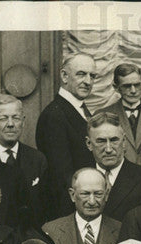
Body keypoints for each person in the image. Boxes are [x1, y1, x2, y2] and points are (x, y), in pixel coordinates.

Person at [36, 53, 98, 219]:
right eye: (81, 74)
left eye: (92, 76)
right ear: (64, 76)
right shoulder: (54, 116)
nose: (88, 81)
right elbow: (61, 177)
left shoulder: (81, 110)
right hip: (70, 212)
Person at [0, 93, 50, 232]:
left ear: (23, 121)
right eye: (3, 118)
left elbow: (45, 208)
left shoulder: (37, 159)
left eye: (16, 118)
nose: (10, 124)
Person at [85, 111, 141, 223]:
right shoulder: (77, 179)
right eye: (101, 141)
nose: (108, 149)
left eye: (114, 140)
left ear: (124, 142)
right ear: (89, 144)